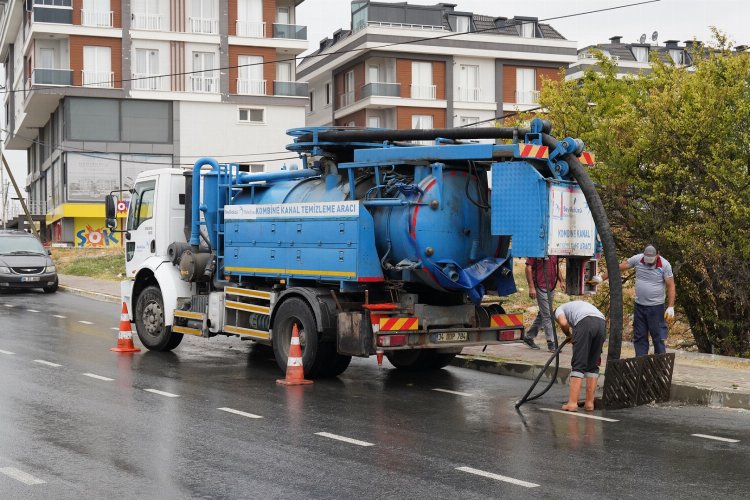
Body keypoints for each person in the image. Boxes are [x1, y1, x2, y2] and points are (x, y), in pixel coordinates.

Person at [593, 244, 675, 356]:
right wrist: (601, 278)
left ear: (658, 255)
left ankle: (660, 367)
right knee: (639, 337)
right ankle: (640, 364)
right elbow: (619, 267)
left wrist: (671, 306)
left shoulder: (665, 265)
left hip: (656, 308)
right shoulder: (638, 259)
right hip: (639, 306)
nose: (649, 262)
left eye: (652, 259)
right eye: (647, 259)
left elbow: (671, 285)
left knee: (658, 337)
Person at [554, 300, 607, 412]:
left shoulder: (559, 309)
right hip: (601, 323)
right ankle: (589, 404)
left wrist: (568, 335)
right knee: (593, 365)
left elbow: (563, 323)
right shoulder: (575, 306)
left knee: (579, 363)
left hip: (585, 322)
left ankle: (572, 404)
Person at [523, 256, 562, 352]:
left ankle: (529, 336)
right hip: (540, 286)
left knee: (543, 314)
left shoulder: (553, 250)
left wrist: (562, 281)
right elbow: (528, 268)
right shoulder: (536, 249)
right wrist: (531, 287)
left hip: (551, 287)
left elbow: (556, 267)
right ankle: (551, 343)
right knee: (548, 315)